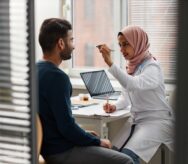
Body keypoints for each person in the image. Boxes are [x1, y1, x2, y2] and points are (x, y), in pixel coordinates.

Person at [37, 18, 134, 164]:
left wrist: (86, 135)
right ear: (61, 43)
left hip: (48, 147)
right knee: (126, 161)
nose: (74, 46)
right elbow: (67, 127)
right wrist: (97, 141)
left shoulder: (35, 69)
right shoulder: (58, 78)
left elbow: (57, 123)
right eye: (71, 40)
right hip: (61, 152)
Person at [98, 25, 174, 164]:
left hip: (156, 122)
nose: (122, 49)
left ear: (138, 43)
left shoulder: (152, 67)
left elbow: (132, 84)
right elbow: (126, 97)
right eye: (120, 45)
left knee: (127, 158)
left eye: (126, 44)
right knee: (112, 155)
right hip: (136, 121)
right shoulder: (132, 66)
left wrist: (109, 62)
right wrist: (115, 106)